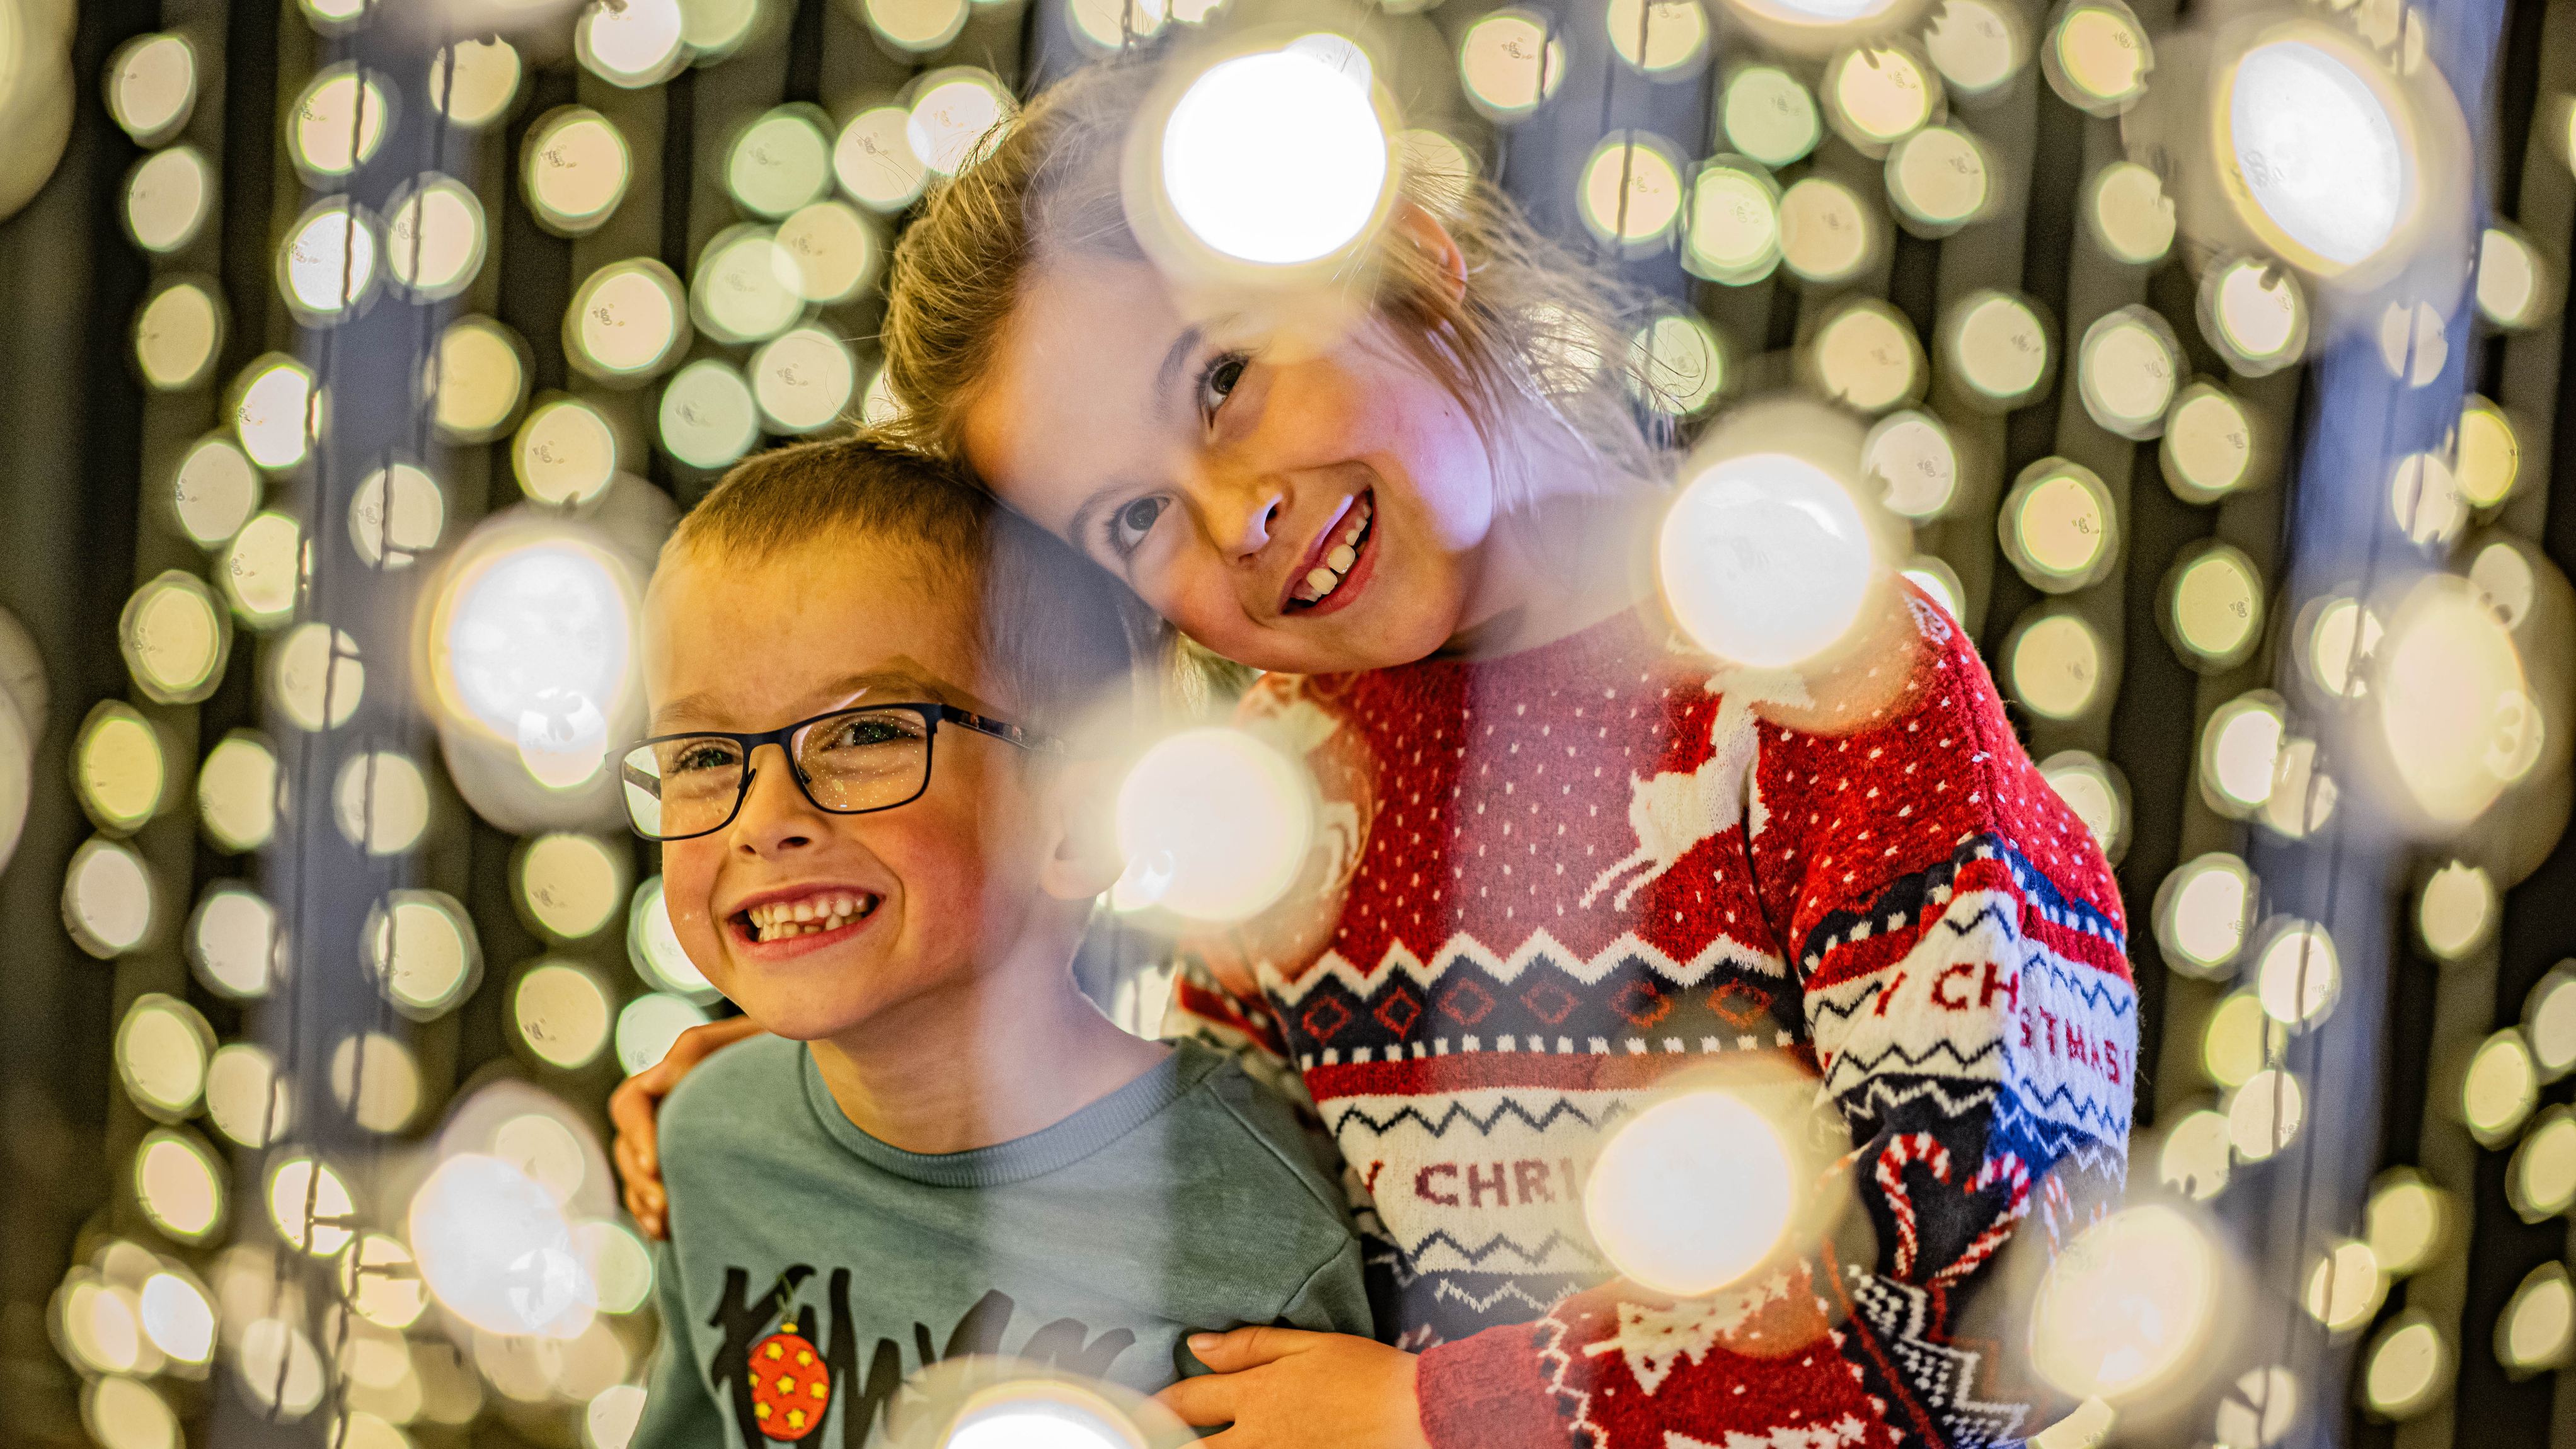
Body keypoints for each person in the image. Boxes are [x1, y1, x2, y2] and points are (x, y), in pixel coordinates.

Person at [618, 52, 2136, 1449]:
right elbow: (1221, 1172)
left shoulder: (1820, 680)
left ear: (1400, 245)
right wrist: (867, 1059)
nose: (1233, 518)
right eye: (1132, 519)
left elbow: (1991, 1332)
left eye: (1219, 381)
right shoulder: (1285, 778)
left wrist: (1443, 1410)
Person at [623, 435, 1372, 1449]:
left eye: (869, 732)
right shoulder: (708, 1145)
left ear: (1077, 822)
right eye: (705, 756)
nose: (764, 818)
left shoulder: (1253, 1229)